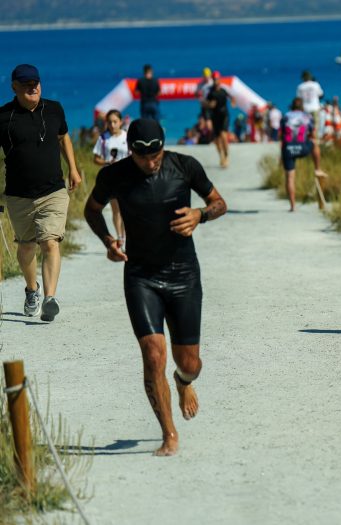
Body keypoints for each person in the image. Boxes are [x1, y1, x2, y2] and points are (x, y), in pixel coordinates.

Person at [83, 118, 227, 457]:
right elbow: (91, 210)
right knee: (152, 355)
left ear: (164, 145)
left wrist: (200, 215)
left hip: (184, 275)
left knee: (189, 363)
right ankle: (169, 433)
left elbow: (220, 203)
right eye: (143, 157)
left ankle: (183, 382)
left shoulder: (184, 165)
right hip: (140, 276)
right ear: (130, 151)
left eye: (156, 155)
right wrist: (107, 239)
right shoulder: (113, 176)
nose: (151, 163)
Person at [0, 64, 82, 321]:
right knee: (26, 247)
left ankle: (49, 298)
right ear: (14, 87)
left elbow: (64, 137)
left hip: (53, 191)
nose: (33, 87)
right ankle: (31, 289)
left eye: (35, 82)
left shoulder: (55, 109)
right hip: (18, 195)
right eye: (26, 84)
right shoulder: (3, 117)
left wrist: (74, 168)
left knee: (50, 241)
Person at [279, 97, 326, 211]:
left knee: (290, 178)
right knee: (314, 144)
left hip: (288, 148)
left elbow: (282, 136)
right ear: (302, 107)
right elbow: (313, 134)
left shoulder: (285, 117)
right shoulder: (307, 117)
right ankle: (317, 168)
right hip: (302, 147)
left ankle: (292, 206)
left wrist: (281, 155)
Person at [92, 109, 131, 246]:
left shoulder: (127, 137)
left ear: (121, 122)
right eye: (110, 122)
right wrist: (107, 162)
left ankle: (127, 237)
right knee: (116, 210)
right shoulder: (103, 139)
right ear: (106, 123)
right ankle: (120, 237)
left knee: (127, 208)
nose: (113, 125)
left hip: (127, 177)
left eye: (115, 121)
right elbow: (96, 159)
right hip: (110, 178)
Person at [206, 70, 232, 168]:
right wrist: (208, 119)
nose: (216, 81)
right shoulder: (210, 92)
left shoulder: (223, 90)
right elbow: (206, 106)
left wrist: (233, 101)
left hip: (224, 116)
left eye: (217, 79)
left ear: (219, 79)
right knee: (217, 139)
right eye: (214, 79)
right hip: (215, 117)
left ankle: (226, 156)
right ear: (212, 80)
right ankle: (221, 156)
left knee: (223, 135)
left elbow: (231, 97)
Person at [295, 70, 324, 135]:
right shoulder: (315, 84)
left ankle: (306, 141)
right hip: (315, 108)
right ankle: (315, 141)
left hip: (305, 109)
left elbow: (298, 99)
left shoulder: (300, 87)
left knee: (305, 126)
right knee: (316, 127)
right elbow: (321, 95)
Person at [195, 67, 213, 132]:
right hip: (204, 106)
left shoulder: (213, 83)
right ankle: (210, 136)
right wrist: (198, 95)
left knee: (211, 123)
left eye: (207, 76)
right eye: (205, 76)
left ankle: (213, 136)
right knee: (204, 124)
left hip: (212, 105)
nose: (206, 78)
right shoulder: (200, 84)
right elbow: (196, 94)